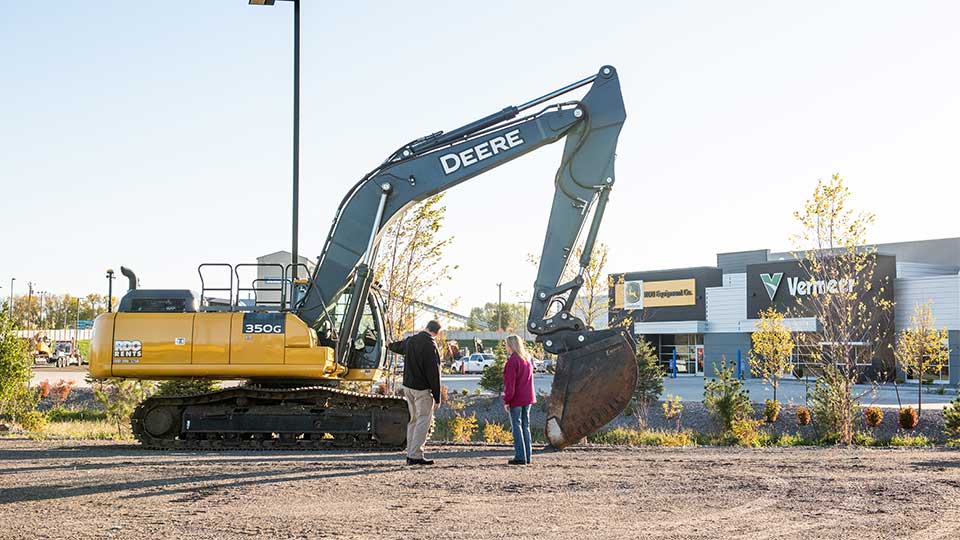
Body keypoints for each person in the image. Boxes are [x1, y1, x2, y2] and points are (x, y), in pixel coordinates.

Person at [388, 320, 443, 465]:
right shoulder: (430, 346)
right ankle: (415, 455)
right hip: (422, 390)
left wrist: (388, 344)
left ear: (426, 327)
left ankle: (410, 453)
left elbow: (397, 346)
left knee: (413, 420)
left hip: (408, 387)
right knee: (423, 421)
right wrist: (437, 397)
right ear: (436, 332)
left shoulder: (411, 341)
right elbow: (434, 374)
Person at [502, 334, 536, 465]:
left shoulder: (512, 361)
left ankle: (520, 456)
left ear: (511, 345)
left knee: (517, 427)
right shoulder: (528, 358)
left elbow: (510, 384)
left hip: (517, 398)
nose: (506, 347)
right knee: (525, 426)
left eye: (506, 344)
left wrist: (507, 400)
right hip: (528, 397)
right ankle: (528, 455)